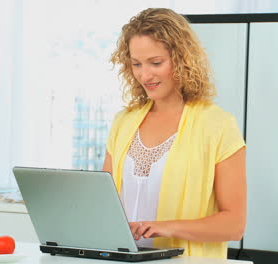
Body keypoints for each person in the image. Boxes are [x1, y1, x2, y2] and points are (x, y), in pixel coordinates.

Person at [103, 8, 246, 259]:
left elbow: (234, 224)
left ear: (181, 59)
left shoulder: (218, 125)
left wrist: (163, 227)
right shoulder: (123, 123)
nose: (144, 75)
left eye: (156, 63)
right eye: (136, 64)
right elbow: (101, 203)